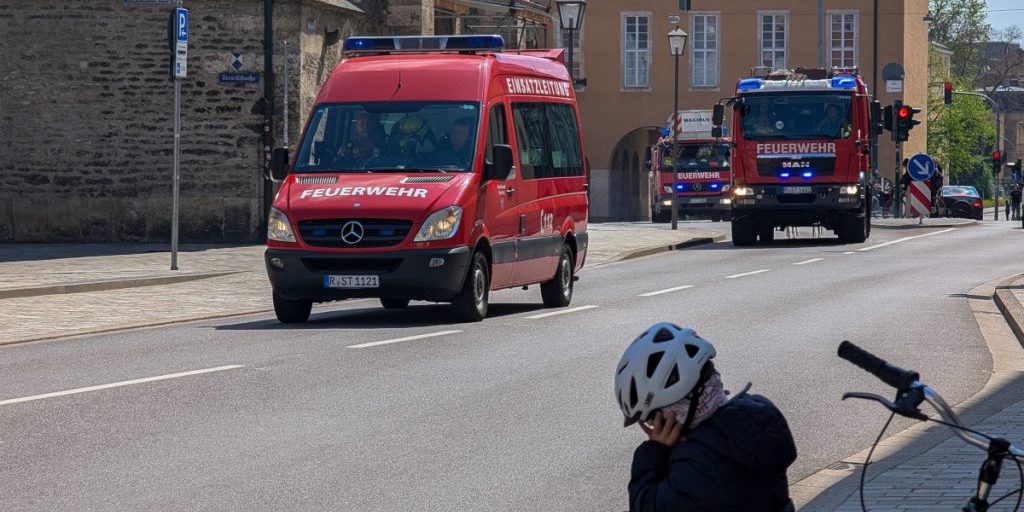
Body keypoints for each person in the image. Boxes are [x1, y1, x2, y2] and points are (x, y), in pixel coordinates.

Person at [616, 323, 798, 512]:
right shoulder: (756, 417)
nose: (654, 427)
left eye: (653, 420)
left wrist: (655, 451)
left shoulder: (698, 469)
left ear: (673, 414)